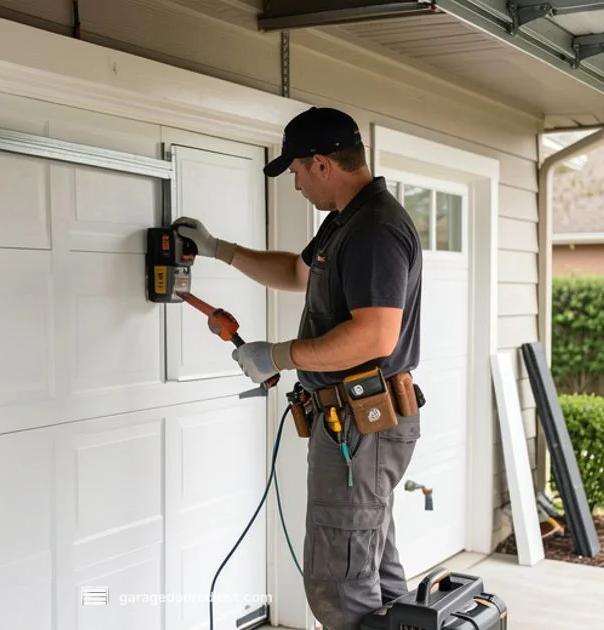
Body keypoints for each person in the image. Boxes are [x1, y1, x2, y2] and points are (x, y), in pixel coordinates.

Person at [173, 106, 423, 630]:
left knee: (342, 582)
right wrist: (218, 249)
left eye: (296, 171)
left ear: (322, 164)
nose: (296, 185)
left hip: (361, 424)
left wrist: (277, 355)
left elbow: (375, 336)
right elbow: (295, 271)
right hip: (354, 423)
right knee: (371, 566)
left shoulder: (374, 228)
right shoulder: (347, 221)